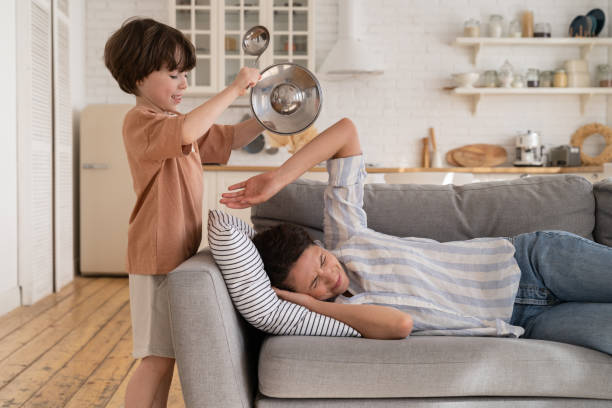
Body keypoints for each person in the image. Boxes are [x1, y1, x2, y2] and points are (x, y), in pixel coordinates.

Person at [220, 118, 612, 355]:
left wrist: (278, 177)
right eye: (315, 284)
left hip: (533, 264)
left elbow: (345, 132)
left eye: (321, 261)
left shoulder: (347, 237)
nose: (331, 276)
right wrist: (309, 305)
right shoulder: (354, 316)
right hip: (528, 321)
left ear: (320, 246)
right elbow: (399, 326)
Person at [104, 17, 263, 407]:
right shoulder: (141, 122)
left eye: (185, 75)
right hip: (156, 257)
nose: (184, 85)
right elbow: (192, 132)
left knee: (165, 357)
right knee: (155, 358)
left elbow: (230, 137)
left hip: (174, 256)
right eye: (174, 75)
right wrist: (234, 87)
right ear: (139, 75)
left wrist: (271, 114)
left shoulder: (176, 122)